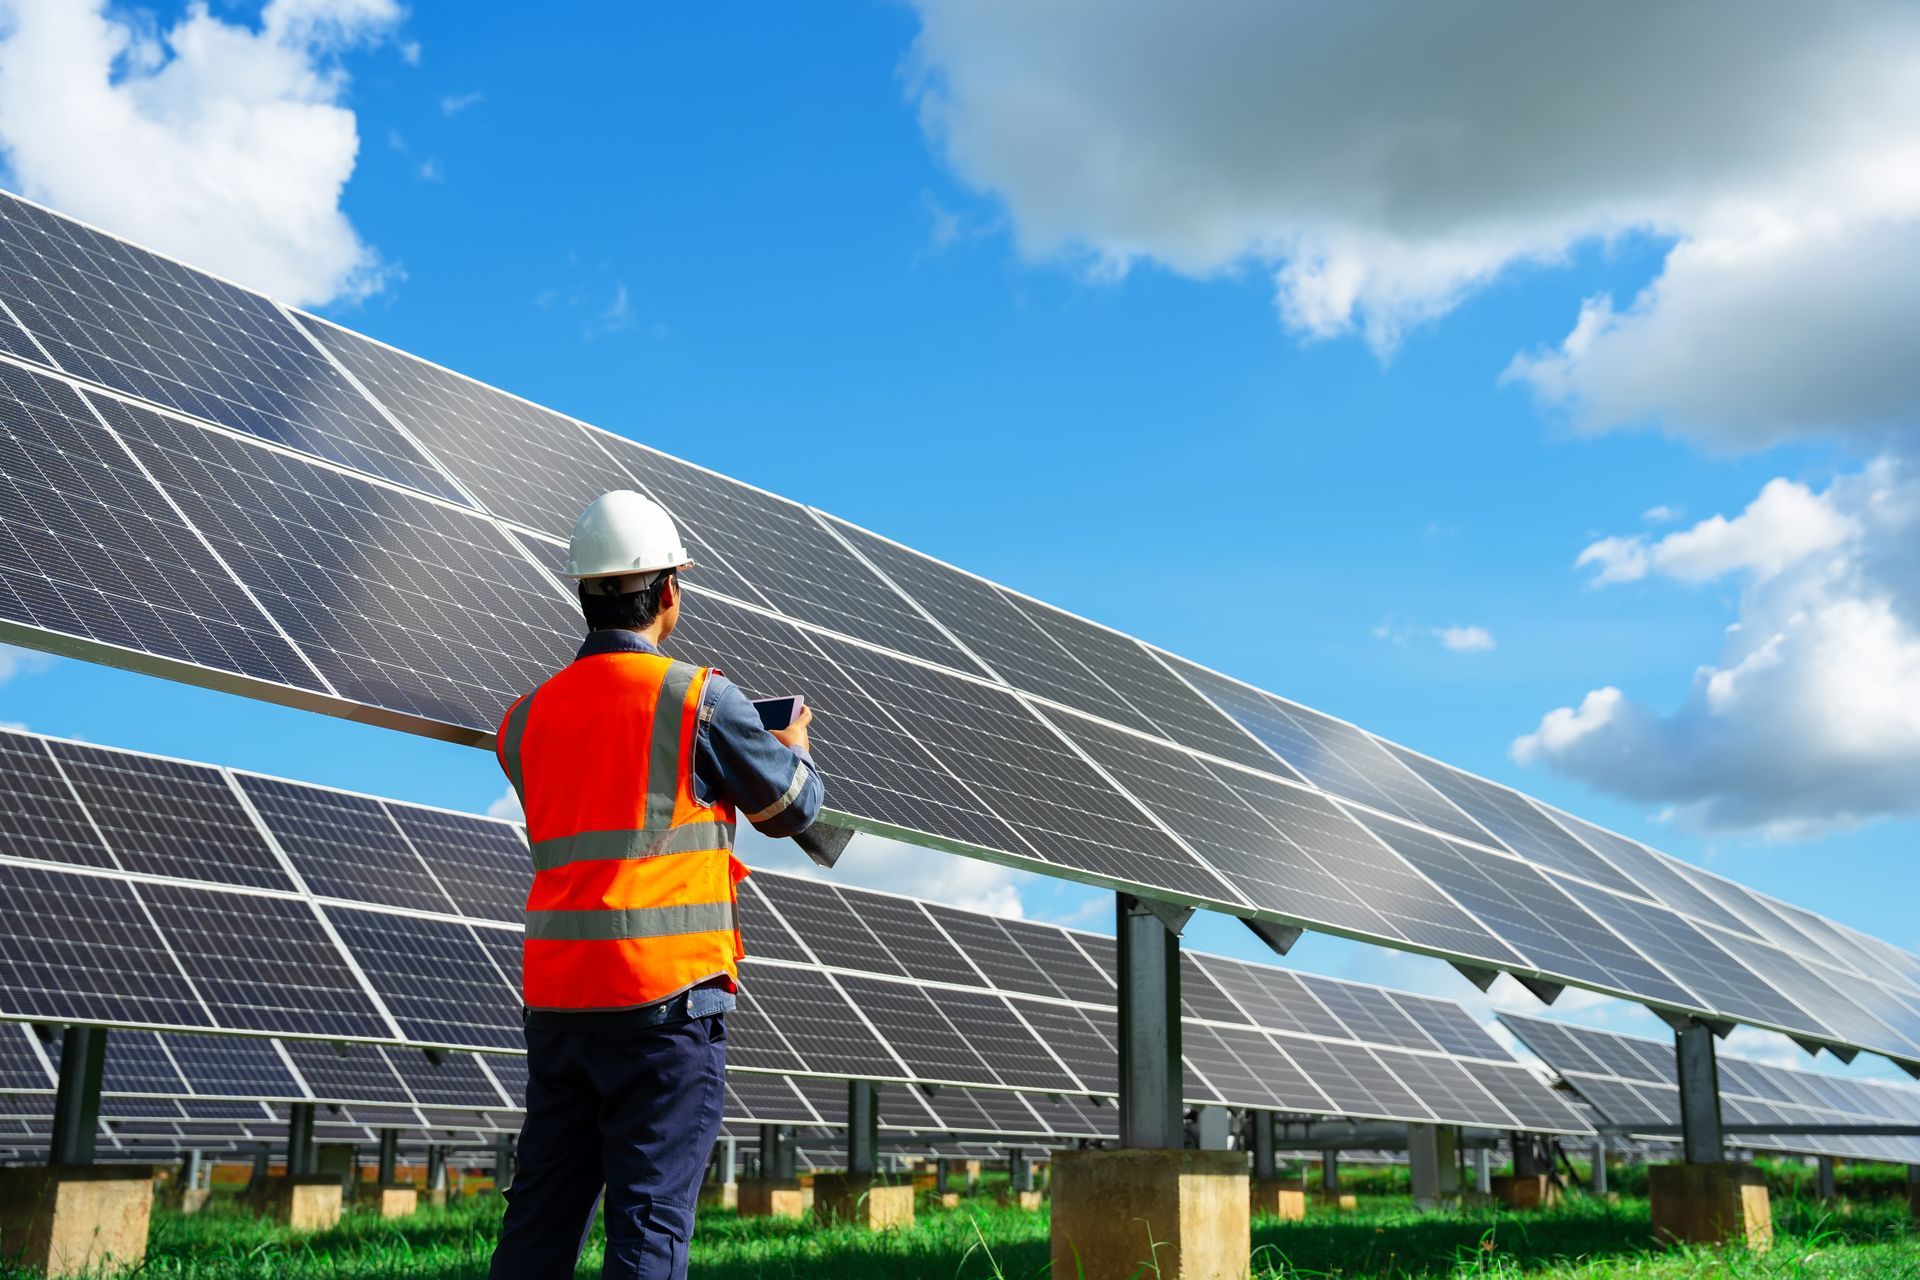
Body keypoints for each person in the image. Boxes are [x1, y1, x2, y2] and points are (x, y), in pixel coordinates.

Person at [488, 490, 822, 1279]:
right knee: (648, 1224)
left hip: (561, 1002)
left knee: (541, 1218)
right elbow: (790, 809)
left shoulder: (524, 719)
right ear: (669, 590)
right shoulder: (697, 698)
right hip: (664, 1004)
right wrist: (795, 748)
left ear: (583, 591)